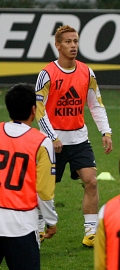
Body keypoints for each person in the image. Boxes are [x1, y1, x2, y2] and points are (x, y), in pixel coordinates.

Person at [35, 24, 113, 247]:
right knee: (44, 188)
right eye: (68, 42)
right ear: (58, 45)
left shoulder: (87, 72)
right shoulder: (46, 74)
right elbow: (39, 109)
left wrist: (106, 131)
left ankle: (91, 231)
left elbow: (96, 104)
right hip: (52, 143)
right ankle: (38, 228)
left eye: (75, 41)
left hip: (79, 139)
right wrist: (51, 136)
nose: (73, 46)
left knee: (91, 181)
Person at [0, 83, 58, 270]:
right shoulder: (42, 142)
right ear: (34, 110)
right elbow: (44, 190)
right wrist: (51, 221)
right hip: (21, 225)